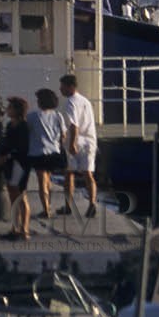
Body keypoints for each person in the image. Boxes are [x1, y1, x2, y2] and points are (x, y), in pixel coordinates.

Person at [59, 73, 98, 221]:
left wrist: (72, 144)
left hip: (77, 141)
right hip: (90, 140)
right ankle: (92, 203)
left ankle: (68, 206)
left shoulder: (70, 102)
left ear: (70, 87)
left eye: (62, 86)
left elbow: (74, 126)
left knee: (69, 174)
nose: (60, 89)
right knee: (88, 174)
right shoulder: (86, 101)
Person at [26, 87, 65, 222]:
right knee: (48, 179)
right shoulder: (58, 115)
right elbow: (63, 135)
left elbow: (26, 131)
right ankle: (49, 204)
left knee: (42, 181)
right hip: (54, 151)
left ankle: (46, 209)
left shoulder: (33, 116)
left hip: (39, 152)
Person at [0, 96, 32, 240]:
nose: (7, 109)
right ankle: (15, 226)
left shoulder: (23, 126)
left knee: (20, 194)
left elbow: (23, 147)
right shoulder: (10, 125)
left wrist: (9, 155)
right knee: (13, 194)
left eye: (10, 107)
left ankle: (24, 228)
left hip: (20, 162)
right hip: (10, 163)